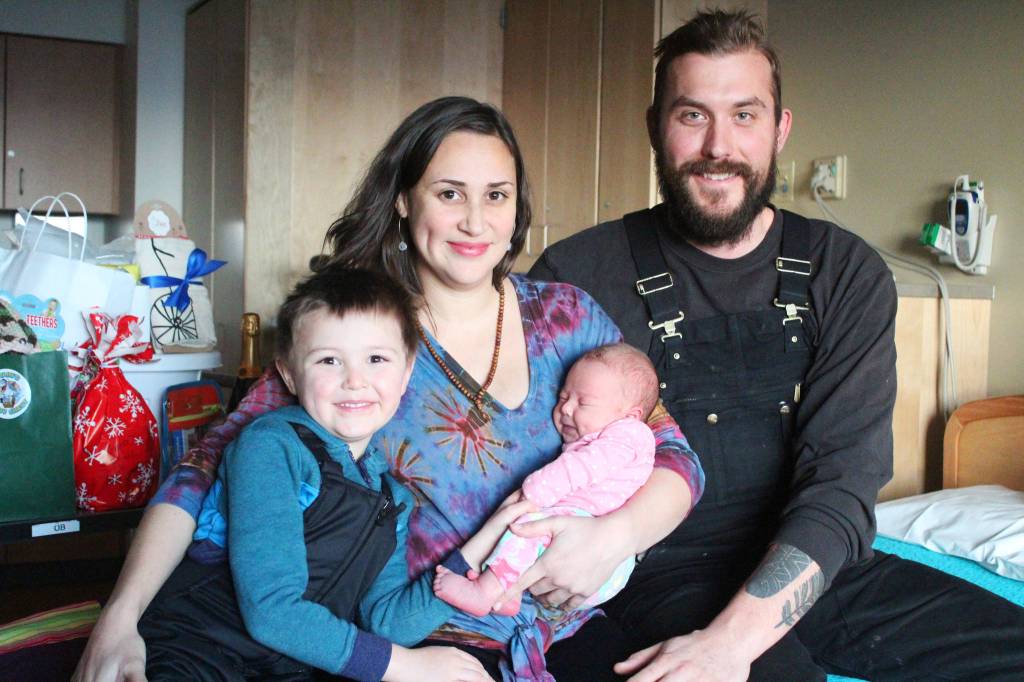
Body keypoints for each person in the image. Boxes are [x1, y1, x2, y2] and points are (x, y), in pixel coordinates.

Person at [73, 97, 704, 682]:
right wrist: (120, 618)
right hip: (423, 640)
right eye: (449, 193)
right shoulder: (357, 337)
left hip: (562, 628)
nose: (476, 220)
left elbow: (676, 456)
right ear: (404, 200)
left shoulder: (570, 317)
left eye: (496, 195)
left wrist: (614, 538)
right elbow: (203, 470)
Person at [528, 8, 1024, 681]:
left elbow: (843, 486)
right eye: (691, 115)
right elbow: (518, 455)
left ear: (780, 129)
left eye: (745, 114)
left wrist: (732, 641)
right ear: (655, 126)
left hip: (814, 560)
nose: (718, 146)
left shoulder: (844, 272)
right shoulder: (576, 274)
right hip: (655, 572)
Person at [136, 267, 489, 681]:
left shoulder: (393, 498)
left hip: (289, 669)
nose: (355, 381)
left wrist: (476, 562)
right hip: (198, 649)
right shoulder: (271, 447)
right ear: (289, 372)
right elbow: (272, 611)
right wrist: (407, 666)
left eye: (376, 359)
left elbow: (387, 623)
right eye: (329, 360)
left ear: (407, 371)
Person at [434, 343, 659, 618]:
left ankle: (485, 592)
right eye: (563, 398)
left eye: (583, 403)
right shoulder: (611, 435)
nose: (566, 409)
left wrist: (540, 489)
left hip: (599, 554)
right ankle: (507, 593)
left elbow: (581, 468)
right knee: (534, 529)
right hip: (584, 548)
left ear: (630, 415)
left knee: (529, 528)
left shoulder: (630, 436)